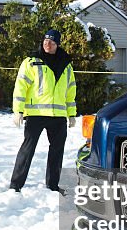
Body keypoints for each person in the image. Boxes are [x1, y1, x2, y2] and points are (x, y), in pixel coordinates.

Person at [9, 29, 77, 195]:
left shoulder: (66, 65)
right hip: (36, 114)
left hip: (58, 117)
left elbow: (70, 91)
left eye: (52, 42)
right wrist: (18, 110)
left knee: (57, 151)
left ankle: (53, 185)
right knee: (27, 149)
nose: (47, 44)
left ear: (57, 44)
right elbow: (21, 87)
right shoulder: (31, 62)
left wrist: (72, 113)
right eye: (45, 40)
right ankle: (15, 185)